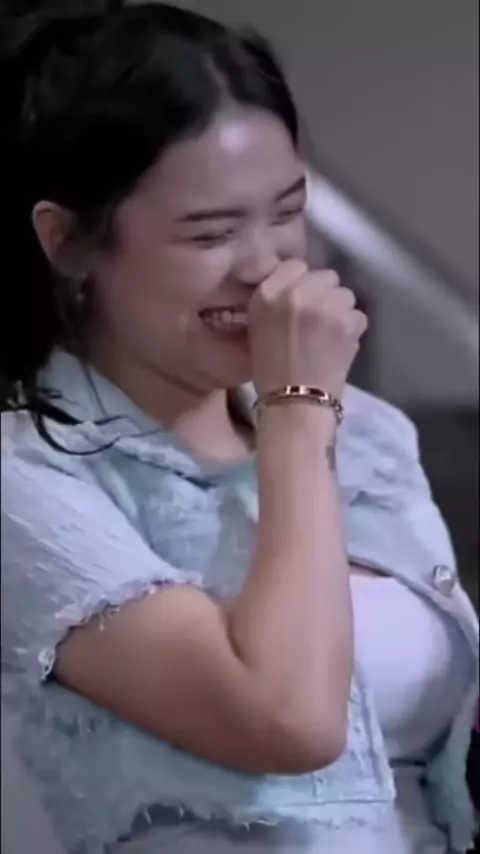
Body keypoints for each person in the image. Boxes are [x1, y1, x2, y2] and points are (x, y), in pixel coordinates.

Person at [1, 3, 478, 853]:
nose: (266, 266)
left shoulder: (367, 432)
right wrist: (297, 413)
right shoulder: (29, 476)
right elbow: (286, 718)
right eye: (212, 233)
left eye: (288, 211)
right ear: (67, 242)